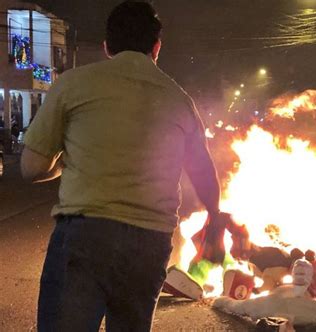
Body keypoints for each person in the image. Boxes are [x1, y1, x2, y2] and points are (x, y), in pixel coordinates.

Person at [21, 1, 223, 331]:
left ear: (107, 45)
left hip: (86, 235)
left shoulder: (74, 84)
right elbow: (203, 174)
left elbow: (31, 168)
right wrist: (214, 217)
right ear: (156, 48)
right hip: (150, 242)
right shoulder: (179, 99)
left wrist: (64, 161)